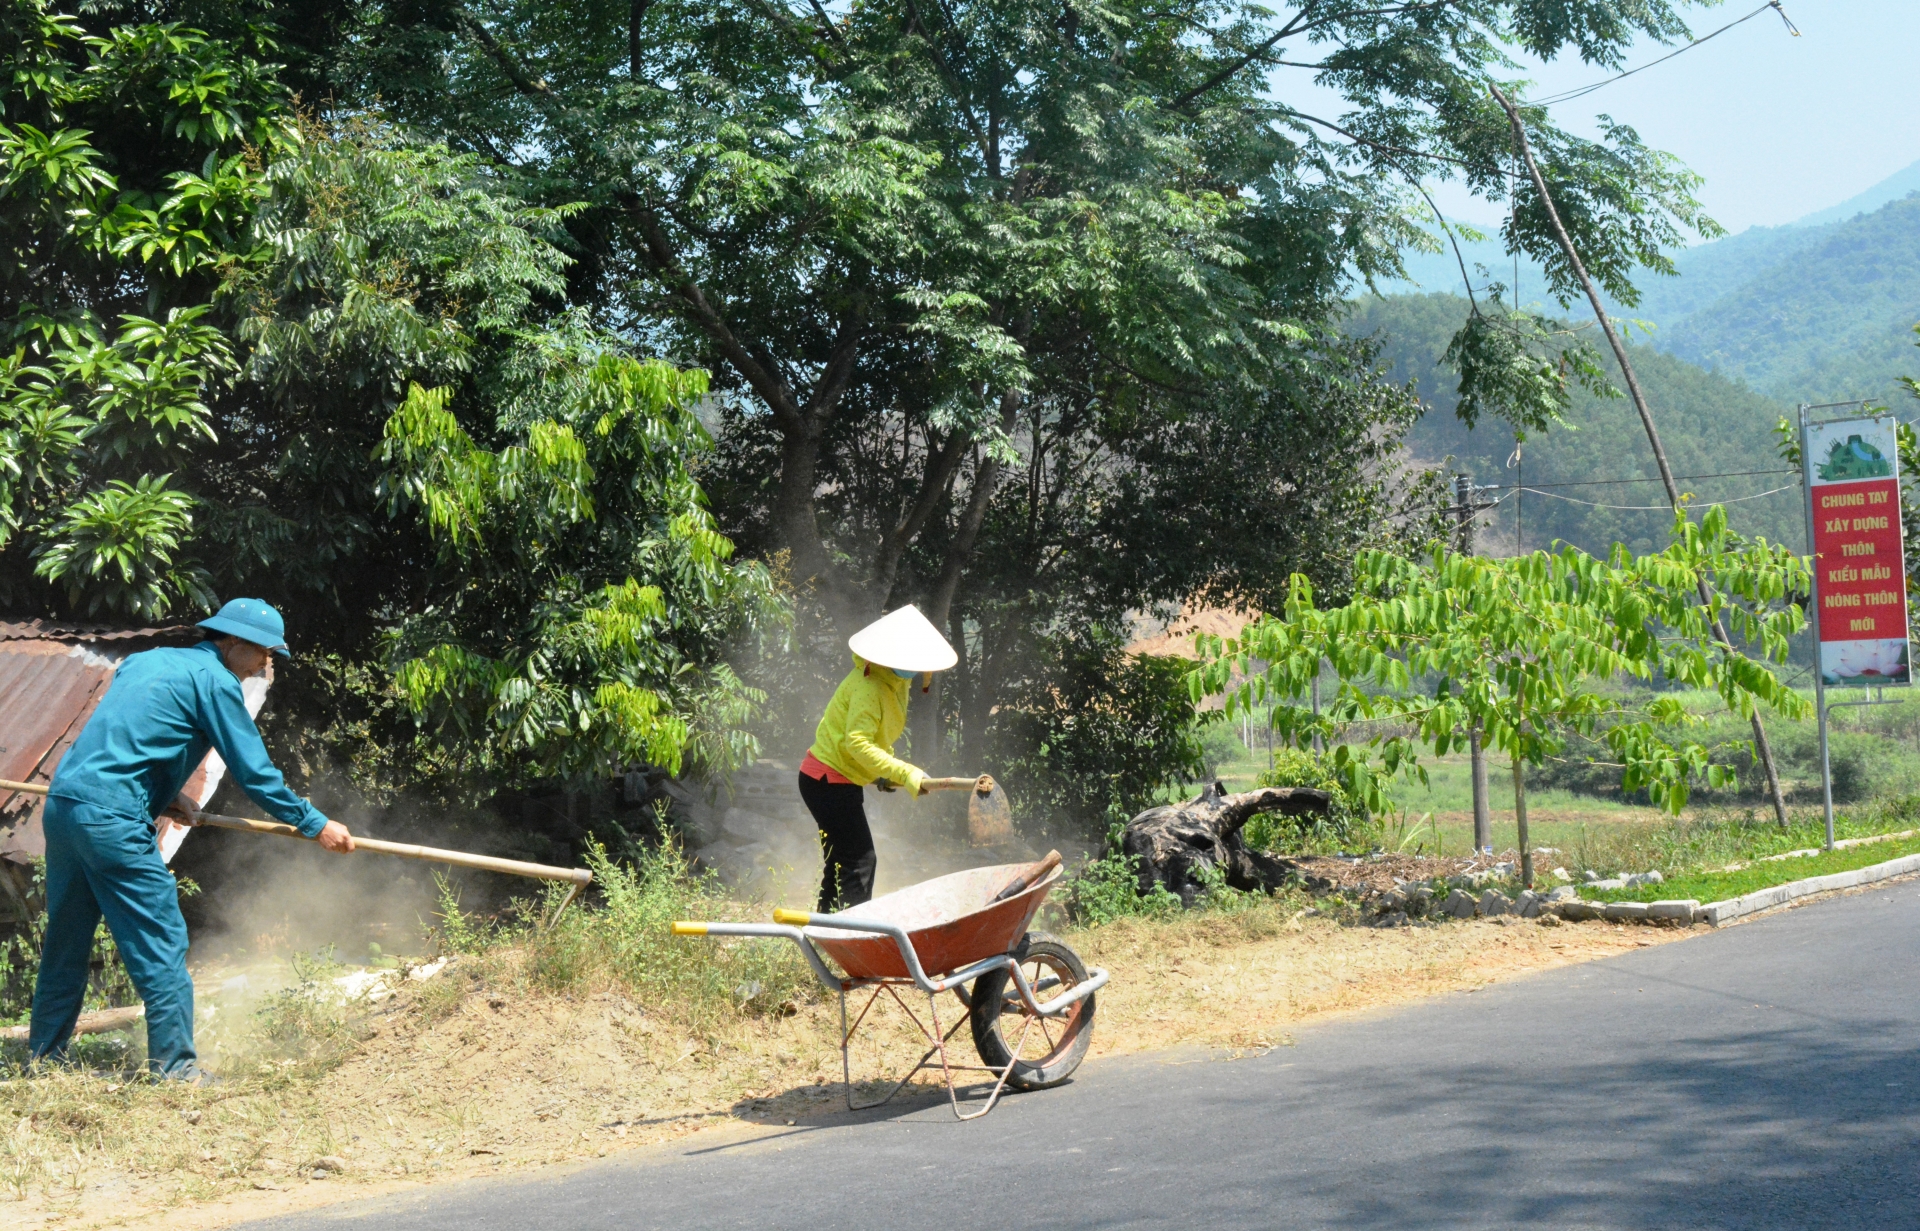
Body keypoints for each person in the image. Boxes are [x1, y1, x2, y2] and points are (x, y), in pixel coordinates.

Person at [28, 598, 353, 1082]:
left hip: (66, 805)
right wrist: (315, 823)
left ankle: (44, 1063)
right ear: (235, 643)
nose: (266, 665)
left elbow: (129, 739)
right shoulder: (217, 682)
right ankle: (177, 1073)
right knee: (162, 941)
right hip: (112, 821)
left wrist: (166, 793)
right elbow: (256, 774)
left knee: (66, 944)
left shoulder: (146, 660)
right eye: (264, 654)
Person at [799, 606, 957, 911]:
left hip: (831, 780)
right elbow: (856, 743)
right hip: (828, 781)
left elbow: (871, 742)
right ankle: (853, 935)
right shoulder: (870, 685)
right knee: (860, 861)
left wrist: (884, 775)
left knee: (840, 864)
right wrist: (905, 771)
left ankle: (826, 935)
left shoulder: (896, 683)